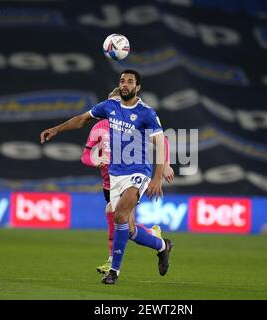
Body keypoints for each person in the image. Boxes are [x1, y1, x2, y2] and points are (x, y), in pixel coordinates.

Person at [40, 69, 173, 284]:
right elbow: (82, 119)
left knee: (118, 215)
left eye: (130, 81)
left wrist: (158, 175)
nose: (125, 84)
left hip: (138, 171)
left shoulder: (146, 112)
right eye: (122, 81)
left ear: (138, 87)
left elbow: (160, 143)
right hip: (115, 175)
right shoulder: (108, 107)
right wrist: (57, 129)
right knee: (129, 230)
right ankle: (163, 246)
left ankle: (114, 271)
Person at [81, 87, 174, 274]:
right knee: (129, 229)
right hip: (110, 183)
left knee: (116, 215)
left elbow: (161, 139)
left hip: (132, 177)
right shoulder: (98, 128)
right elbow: (85, 156)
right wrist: (95, 160)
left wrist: (166, 165)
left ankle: (112, 263)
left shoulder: (135, 123)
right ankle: (160, 243)